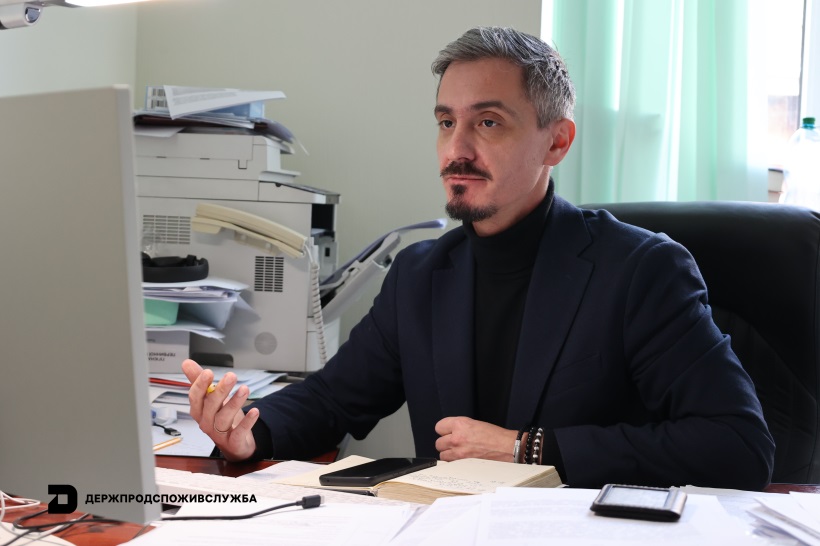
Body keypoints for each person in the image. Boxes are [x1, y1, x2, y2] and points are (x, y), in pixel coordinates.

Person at [182, 26, 775, 490]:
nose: (456, 149)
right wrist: (249, 432)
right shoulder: (419, 274)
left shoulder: (641, 270)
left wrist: (527, 448)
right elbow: (333, 399)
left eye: (488, 122)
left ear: (556, 141)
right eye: (446, 122)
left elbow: (739, 446)